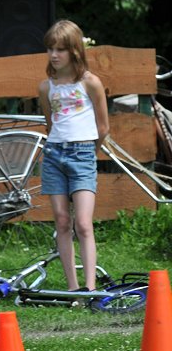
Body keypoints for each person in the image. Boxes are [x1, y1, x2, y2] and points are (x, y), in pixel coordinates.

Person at [38, 20, 109, 292]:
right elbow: (51, 124)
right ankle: (72, 288)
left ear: (75, 51)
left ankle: (89, 288)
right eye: (50, 49)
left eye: (60, 49)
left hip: (83, 154)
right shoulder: (46, 87)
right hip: (54, 155)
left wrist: (89, 152)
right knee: (62, 220)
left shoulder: (90, 83)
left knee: (83, 223)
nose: (54, 55)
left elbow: (103, 127)